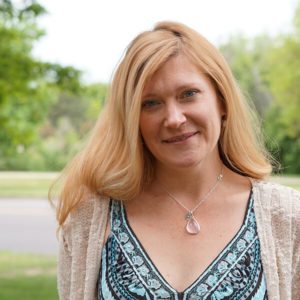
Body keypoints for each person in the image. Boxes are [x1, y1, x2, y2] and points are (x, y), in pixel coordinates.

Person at [53, 21, 300, 300]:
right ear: (132, 119)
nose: (174, 118)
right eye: (151, 103)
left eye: (188, 95)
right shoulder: (89, 219)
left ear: (222, 101)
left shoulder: (288, 217)